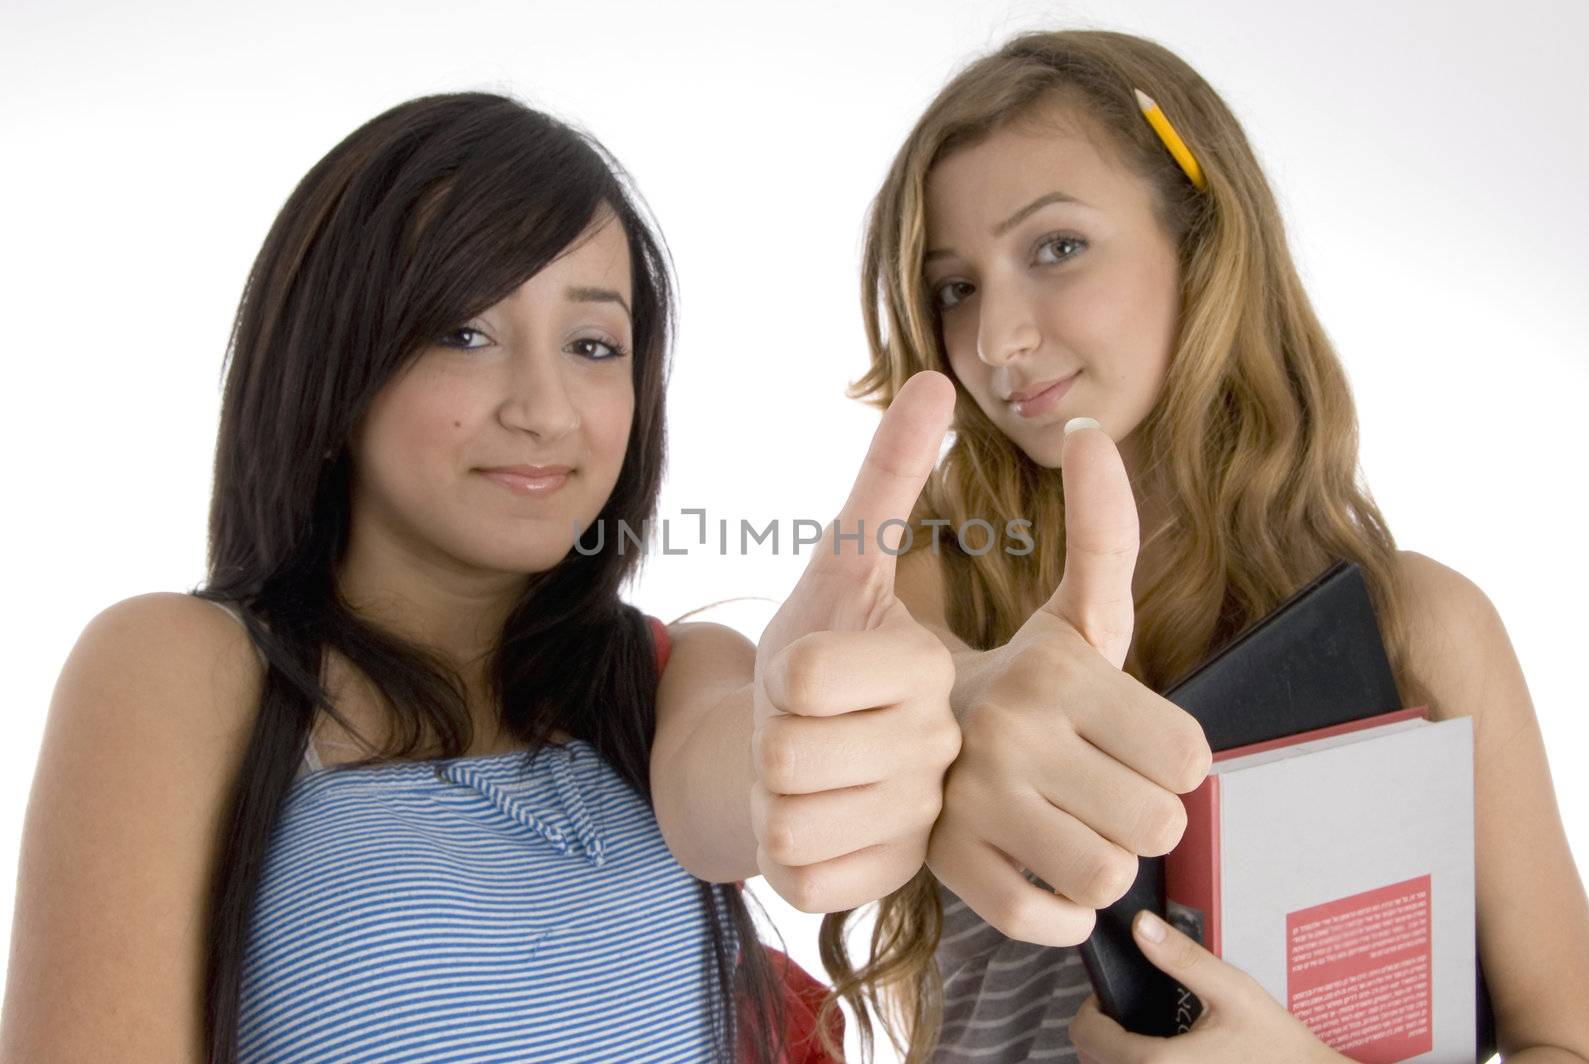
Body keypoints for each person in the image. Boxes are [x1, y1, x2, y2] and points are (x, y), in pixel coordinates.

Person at [0, 91, 963, 1063]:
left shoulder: (675, 672)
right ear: (332, 362)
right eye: (464, 332)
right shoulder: (181, 667)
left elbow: (743, 784)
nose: (544, 408)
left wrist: (825, 741)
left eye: (593, 345)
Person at [817, 29, 1589, 1064]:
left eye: (1054, 247)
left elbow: (1570, 1039)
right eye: (954, 285)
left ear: (1203, 238)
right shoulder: (940, 588)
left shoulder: (1421, 626)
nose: (996, 337)